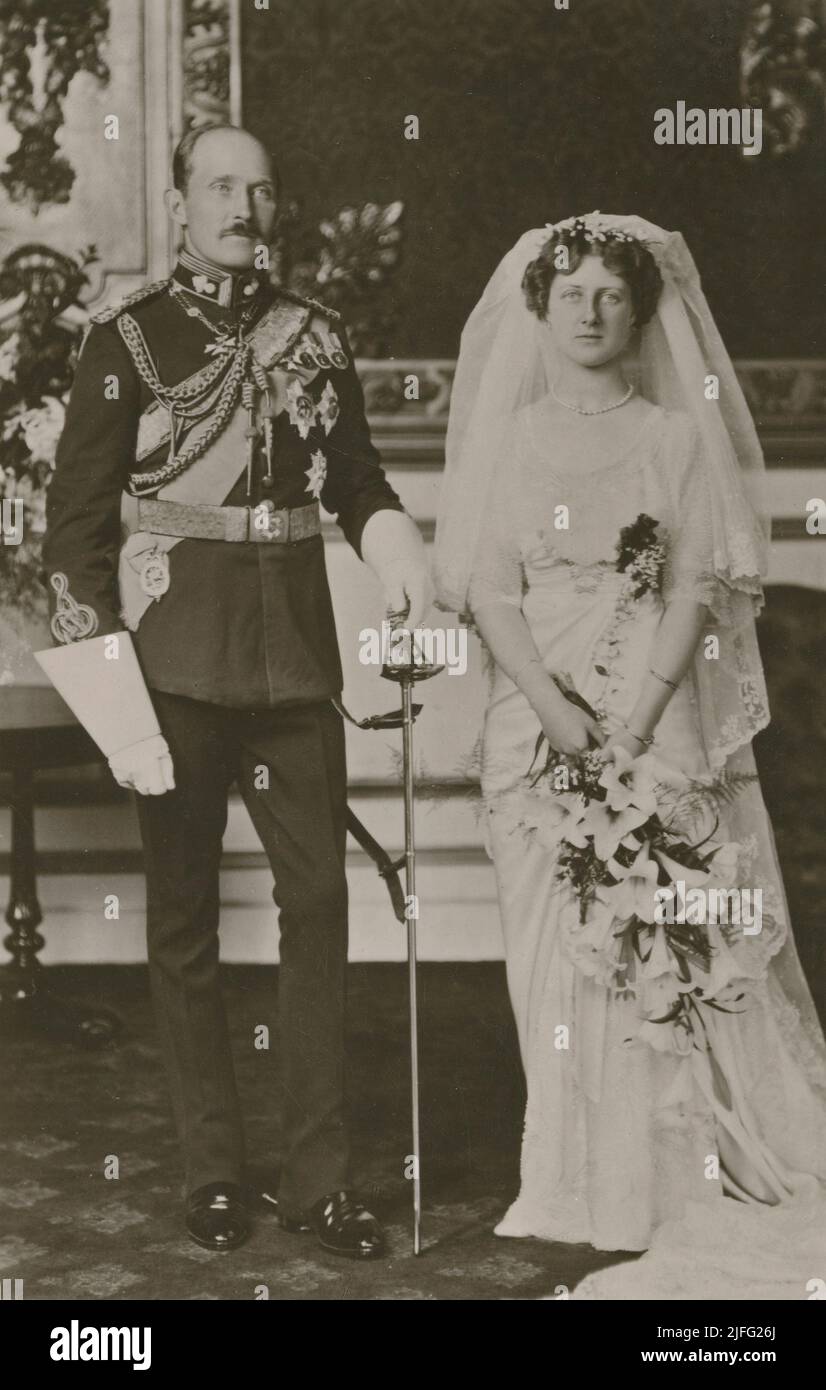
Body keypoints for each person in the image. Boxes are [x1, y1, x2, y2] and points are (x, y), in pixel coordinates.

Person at [36, 123, 428, 1258]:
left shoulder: (316, 334)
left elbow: (350, 477)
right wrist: (115, 701)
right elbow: (75, 538)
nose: (243, 208)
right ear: (179, 204)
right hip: (174, 672)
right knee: (185, 922)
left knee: (319, 908)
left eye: (261, 189)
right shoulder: (125, 340)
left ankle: (321, 1183)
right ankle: (213, 1171)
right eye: (220, 187)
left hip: (294, 662)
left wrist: (396, 549)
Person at [433, 212, 826, 1298]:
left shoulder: (669, 434)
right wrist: (560, 720)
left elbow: (697, 584)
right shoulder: (507, 442)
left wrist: (638, 720)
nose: (592, 313)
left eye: (612, 295)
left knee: (666, 942)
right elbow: (490, 591)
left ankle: (661, 1177)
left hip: (654, 709)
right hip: (538, 717)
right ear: (540, 311)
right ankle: (567, 1179)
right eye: (572, 297)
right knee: (550, 947)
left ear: (640, 310)